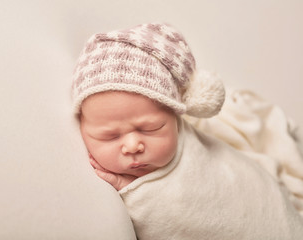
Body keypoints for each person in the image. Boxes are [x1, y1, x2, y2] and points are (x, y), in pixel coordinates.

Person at [72, 23, 303, 240]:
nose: (133, 146)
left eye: (151, 128)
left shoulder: (193, 143)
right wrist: (128, 190)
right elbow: (175, 220)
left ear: (175, 117)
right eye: (110, 136)